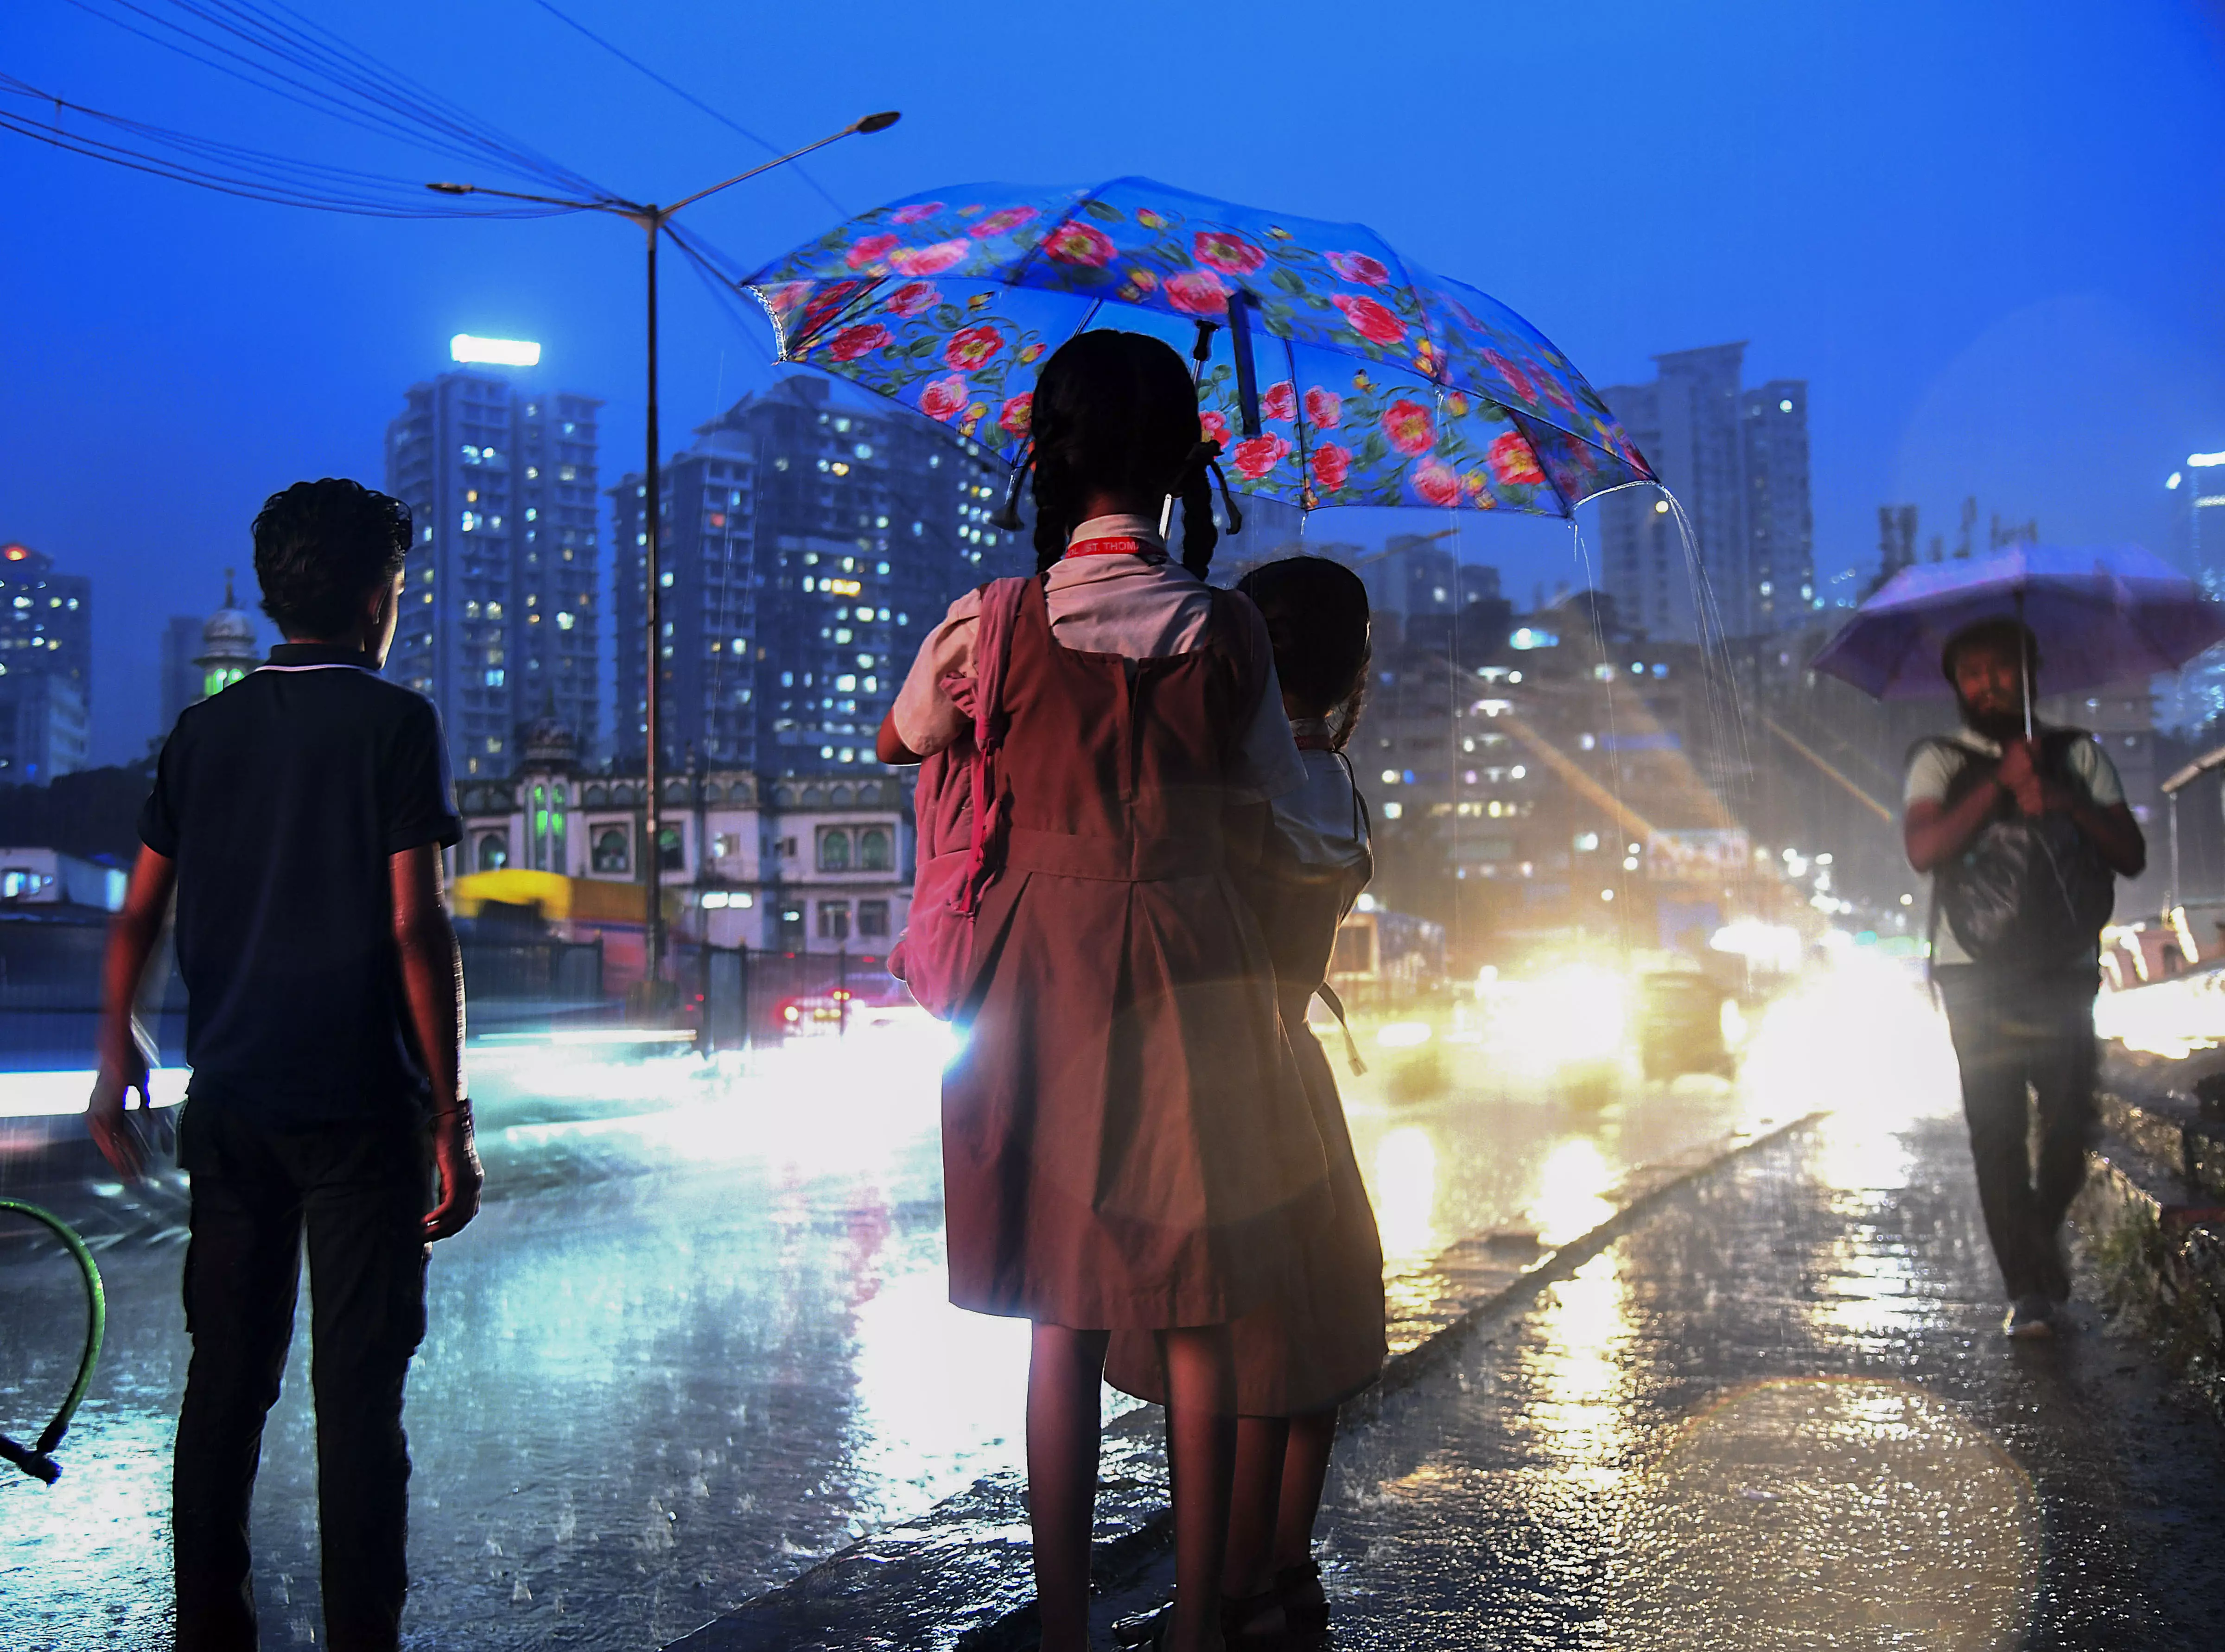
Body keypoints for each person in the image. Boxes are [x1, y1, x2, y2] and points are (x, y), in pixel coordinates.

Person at [877, 330, 1327, 1652]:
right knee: (1196, 1307)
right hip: (1192, 978)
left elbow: (909, 734)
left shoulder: (988, 624)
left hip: (1035, 985)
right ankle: (1196, 1624)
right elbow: (1286, 810)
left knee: (1062, 1315)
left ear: (1050, 460)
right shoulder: (1227, 628)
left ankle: (1063, 1622)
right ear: (1185, 462)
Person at [89, 478, 480, 1651]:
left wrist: (119, 1052)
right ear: (376, 601)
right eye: (399, 591)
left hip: (236, 1105)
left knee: (226, 1388)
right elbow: (420, 928)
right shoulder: (396, 724)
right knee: (358, 1405)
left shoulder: (202, 735)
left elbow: (137, 916)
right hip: (363, 1111)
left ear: (274, 597)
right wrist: (449, 1114)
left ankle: (212, 1631)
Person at [1105, 555, 1387, 1647]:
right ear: (1356, 669)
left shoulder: (1231, 781)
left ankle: (1220, 1588)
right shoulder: (1338, 787)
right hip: (1295, 1070)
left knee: (1234, 1341)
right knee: (1307, 1338)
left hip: (1219, 1074)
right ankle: (1281, 1570)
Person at [1902, 616, 2144, 1340]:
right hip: (1973, 971)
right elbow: (1925, 847)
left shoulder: (2079, 757)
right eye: (1972, 674)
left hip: (2064, 966)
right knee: (1997, 1130)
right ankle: (2029, 1291)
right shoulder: (1939, 761)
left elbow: (2129, 851)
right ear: (1957, 688)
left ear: (2031, 672)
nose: (1988, 684)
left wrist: (2062, 799)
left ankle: (2035, 1238)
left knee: (2072, 1119)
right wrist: (1999, 788)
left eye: (2001, 669)